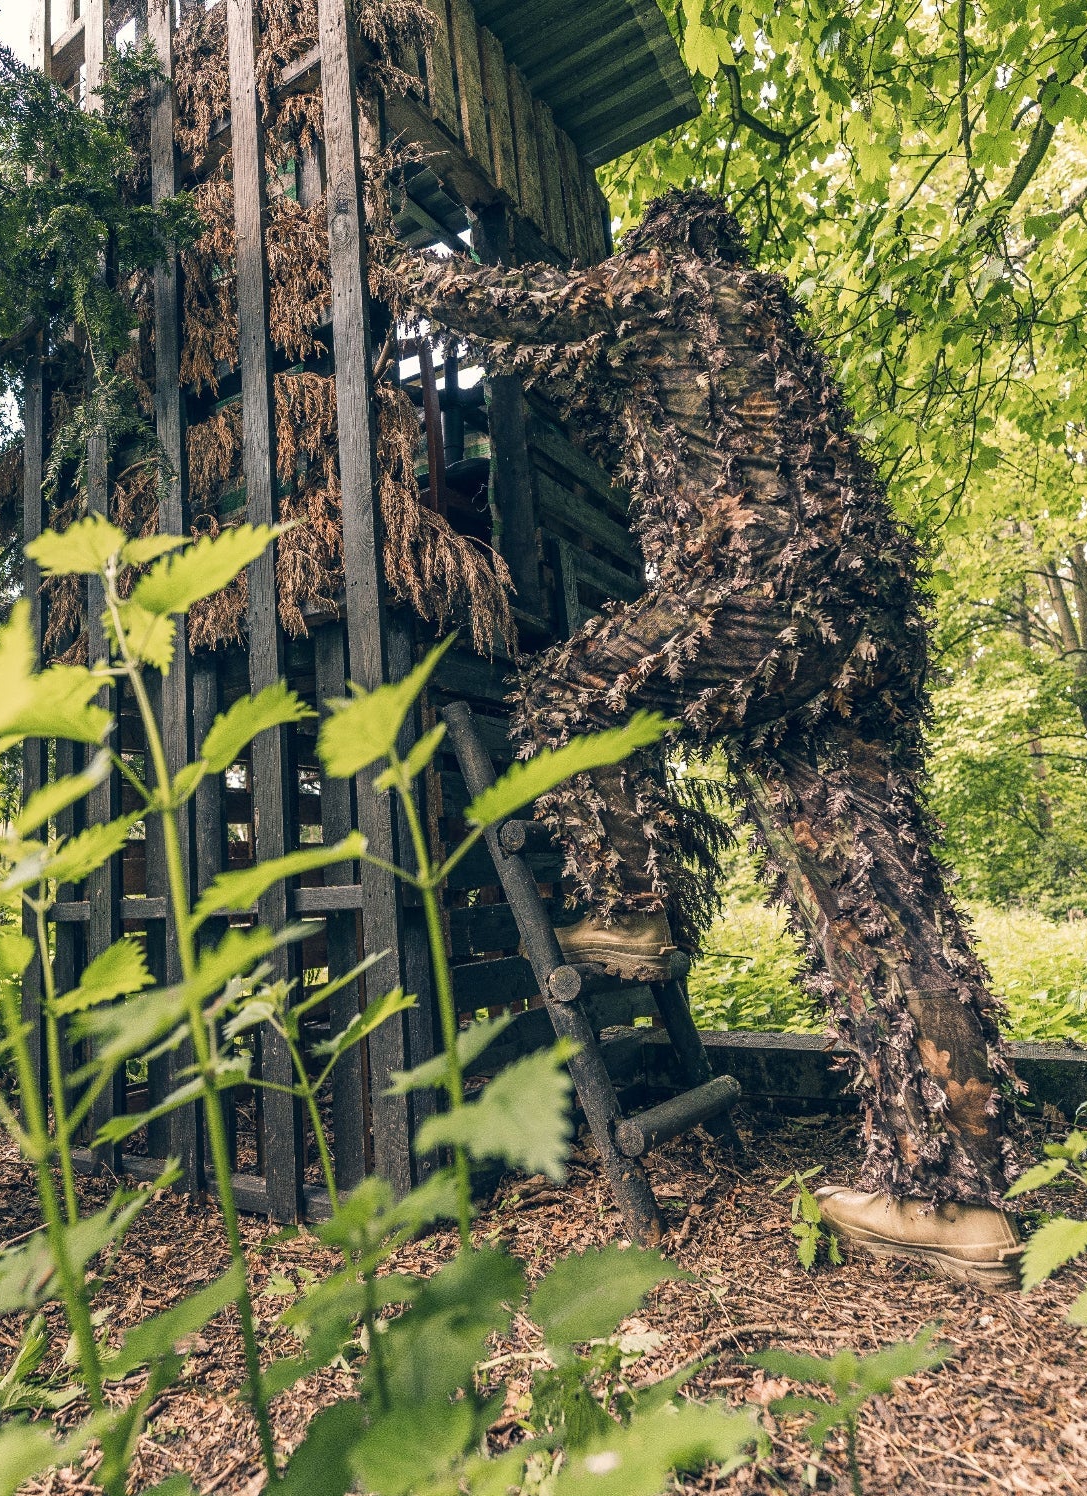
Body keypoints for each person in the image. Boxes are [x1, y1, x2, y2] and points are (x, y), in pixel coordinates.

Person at [391, 190, 1027, 1290]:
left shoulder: (673, 288)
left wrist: (407, 270)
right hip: (857, 628)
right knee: (876, 902)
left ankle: (633, 904)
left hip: (760, 600)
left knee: (562, 697)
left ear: (659, 243)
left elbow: (533, 310)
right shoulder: (762, 338)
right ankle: (955, 1199)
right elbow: (585, 377)